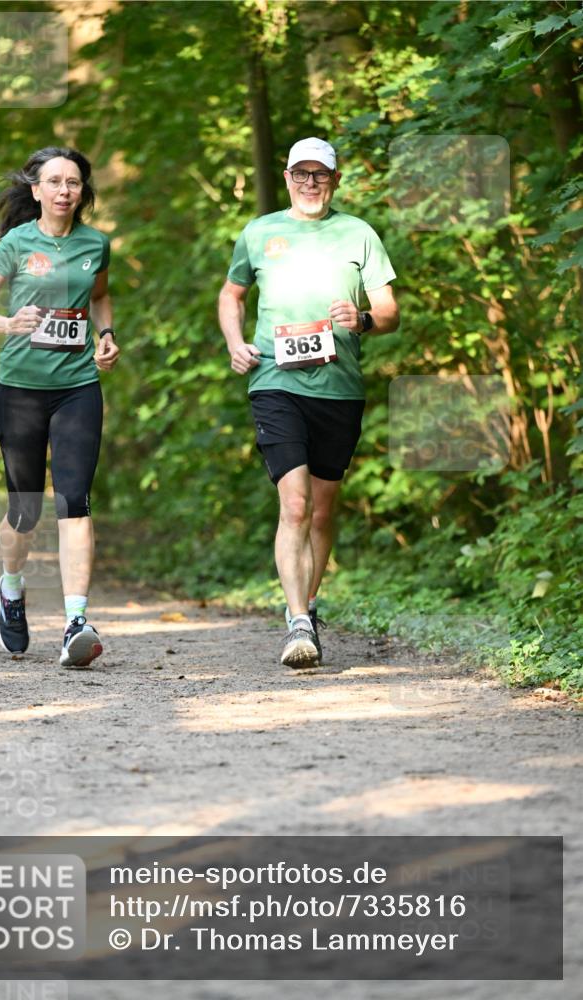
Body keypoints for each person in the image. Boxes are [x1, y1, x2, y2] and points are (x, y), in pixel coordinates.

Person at [218, 137, 399, 668]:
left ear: (335, 180)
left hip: (339, 388)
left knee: (322, 509)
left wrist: (362, 319)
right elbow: (231, 294)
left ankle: (310, 603)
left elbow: (389, 312)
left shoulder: (359, 233)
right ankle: (298, 622)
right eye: (302, 173)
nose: (311, 183)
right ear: (288, 177)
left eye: (321, 174)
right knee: (294, 505)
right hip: (275, 382)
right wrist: (235, 343)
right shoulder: (260, 232)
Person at [0, 146, 120, 668]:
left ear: (82, 192)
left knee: (75, 499)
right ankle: (11, 588)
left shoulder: (96, 244)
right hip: (20, 389)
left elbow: (100, 297)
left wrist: (106, 335)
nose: (63, 190)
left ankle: (77, 621)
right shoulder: (16, 243)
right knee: (25, 511)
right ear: (36, 191)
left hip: (78, 387)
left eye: (72, 182)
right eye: (53, 181)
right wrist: (9, 325)